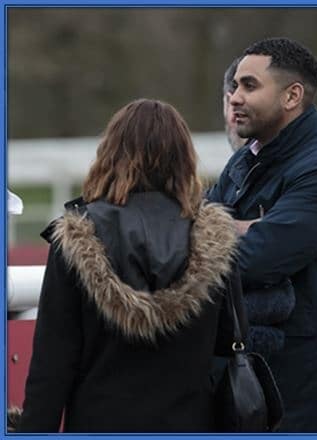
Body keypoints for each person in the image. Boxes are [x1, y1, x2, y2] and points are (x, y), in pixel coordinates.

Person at [16, 98, 247, 433]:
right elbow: (232, 339)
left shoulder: (77, 236)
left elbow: (52, 366)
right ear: (184, 159)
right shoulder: (213, 238)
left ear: (110, 153)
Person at [207, 37, 317, 432]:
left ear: (292, 96)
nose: (235, 97)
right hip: (245, 389)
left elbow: (252, 259)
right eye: (234, 86)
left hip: (306, 397)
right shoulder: (244, 161)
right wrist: (245, 225)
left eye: (249, 86)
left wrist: (226, 228)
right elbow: (198, 226)